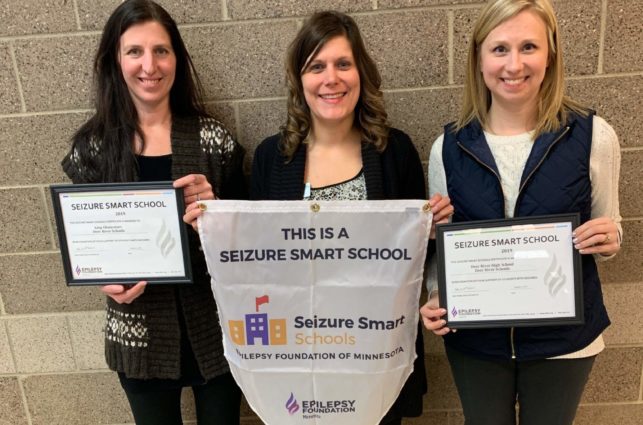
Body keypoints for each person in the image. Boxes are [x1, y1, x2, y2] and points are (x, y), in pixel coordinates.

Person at [420, 1, 622, 424]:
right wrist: (437, 296)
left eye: (528, 46)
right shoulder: (448, 149)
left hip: (563, 341)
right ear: (479, 58)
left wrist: (609, 239)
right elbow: (445, 245)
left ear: (550, 54)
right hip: (478, 342)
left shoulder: (592, 136)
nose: (514, 64)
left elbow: (611, 231)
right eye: (500, 49)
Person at [251, 11, 453, 425]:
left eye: (343, 64)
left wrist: (433, 233)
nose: (331, 79)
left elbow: (417, 254)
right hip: (298, 355)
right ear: (299, 79)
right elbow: (255, 258)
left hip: (373, 353)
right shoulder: (272, 158)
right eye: (316, 67)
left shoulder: (393, 151)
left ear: (361, 72)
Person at [61, 1, 246, 423]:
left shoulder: (212, 140)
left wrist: (217, 210)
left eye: (161, 50)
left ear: (176, 58)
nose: (150, 65)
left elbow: (249, 238)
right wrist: (102, 277)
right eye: (135, 52)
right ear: (115, 60)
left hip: (216, 329)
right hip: (138, 333)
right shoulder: (94, 148)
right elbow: (85, 240)